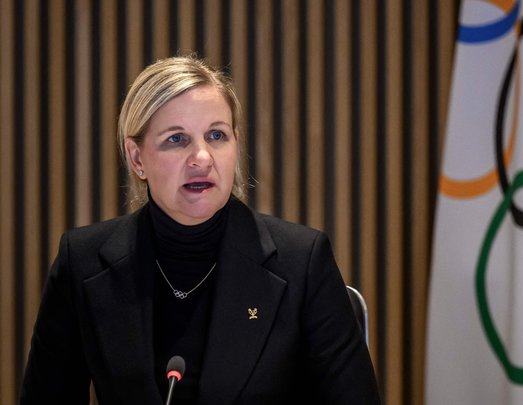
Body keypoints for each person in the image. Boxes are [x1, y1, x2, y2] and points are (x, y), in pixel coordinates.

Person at [19, 55, 381, 404]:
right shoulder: (82, 263)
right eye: (176, 139)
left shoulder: (302, 262)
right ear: (137, 158)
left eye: (216, 135)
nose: (202, 158)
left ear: (235, 144)